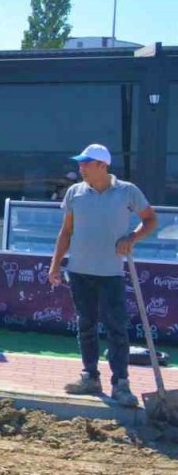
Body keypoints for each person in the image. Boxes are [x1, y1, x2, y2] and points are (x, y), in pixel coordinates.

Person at [49, 143, 158, 407]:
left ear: (102, 165)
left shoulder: (127, 191)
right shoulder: (75, 193)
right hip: (79, 271)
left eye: (86, 163)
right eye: (80, 163)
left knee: (116, 328)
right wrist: (55, 265)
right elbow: (66, 232)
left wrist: (132, 237)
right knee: (85, 324)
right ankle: (90, 376)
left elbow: (151, 220)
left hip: (110, 273)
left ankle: (121, 384)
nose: (81, 168)